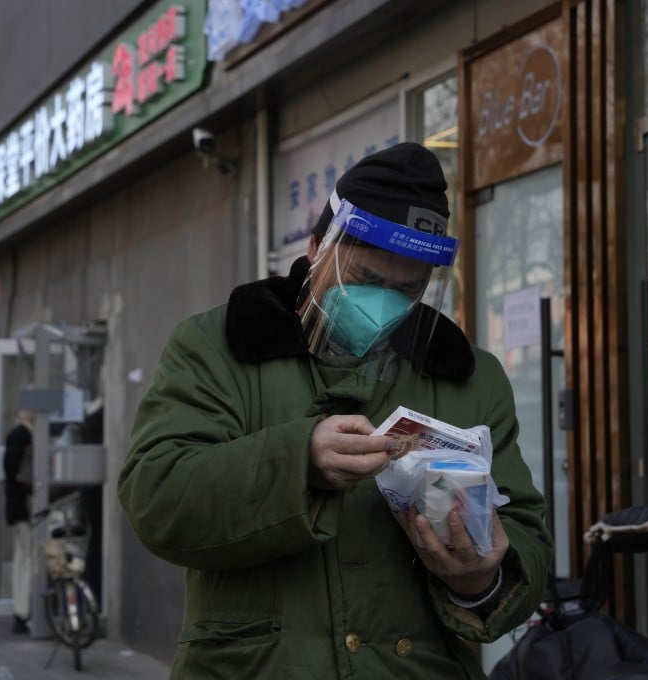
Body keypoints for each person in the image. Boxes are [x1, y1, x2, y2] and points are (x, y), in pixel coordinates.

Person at [118, 142, 553, 679]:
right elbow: (156, 496)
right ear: (318, 246)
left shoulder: (468, 376)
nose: (385, 303)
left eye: (407, 289)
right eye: (367, 280)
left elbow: (526, 538)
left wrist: (481, 580)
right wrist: (298, 461)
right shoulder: (219, 345)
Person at [3, 411, 34, 634]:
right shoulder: (21, 435)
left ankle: (21, 611)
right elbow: (15, 471)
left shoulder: (24, 434)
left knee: (22, 558)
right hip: (24, 507)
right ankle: (23, 611)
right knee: (27, 559)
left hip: (23, 506)